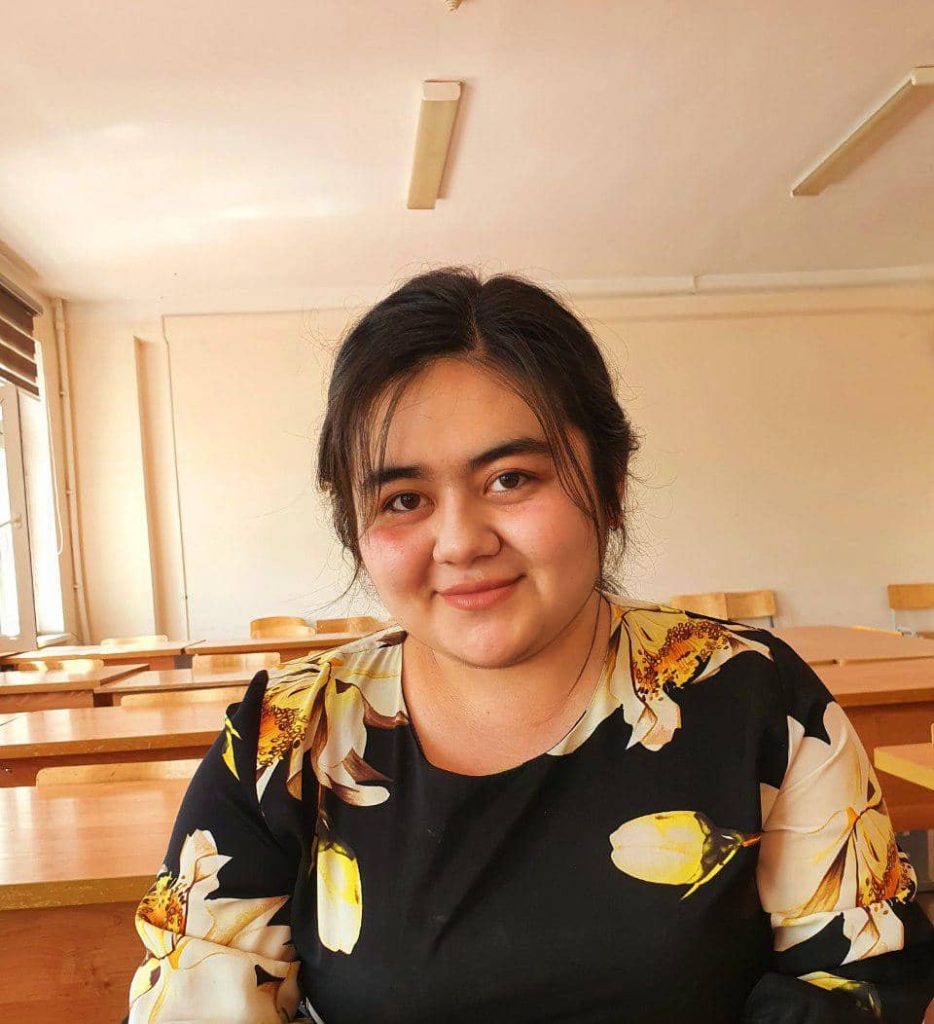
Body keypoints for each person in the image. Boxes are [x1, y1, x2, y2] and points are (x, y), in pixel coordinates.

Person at [126, 267, 934, 1023]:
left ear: (610, 484)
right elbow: (196, 994)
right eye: (403, 498)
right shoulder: (286, 735)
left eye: (510, 479)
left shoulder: (751, 697)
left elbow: (858, 980)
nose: (460, 540)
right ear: (357, 528)